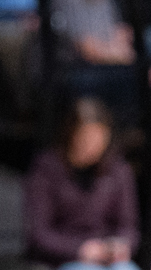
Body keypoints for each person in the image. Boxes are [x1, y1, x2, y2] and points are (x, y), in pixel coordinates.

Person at [25, 97, 140, 269]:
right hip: (65, 259)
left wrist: (120, 246)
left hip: (109, 258)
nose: (93, 146)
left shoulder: (117, 170)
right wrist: (80, 249)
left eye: (99, 138)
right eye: (86, 138)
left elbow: (129, 227)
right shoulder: (47, 169)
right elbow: (38, 235)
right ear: (71, 134)